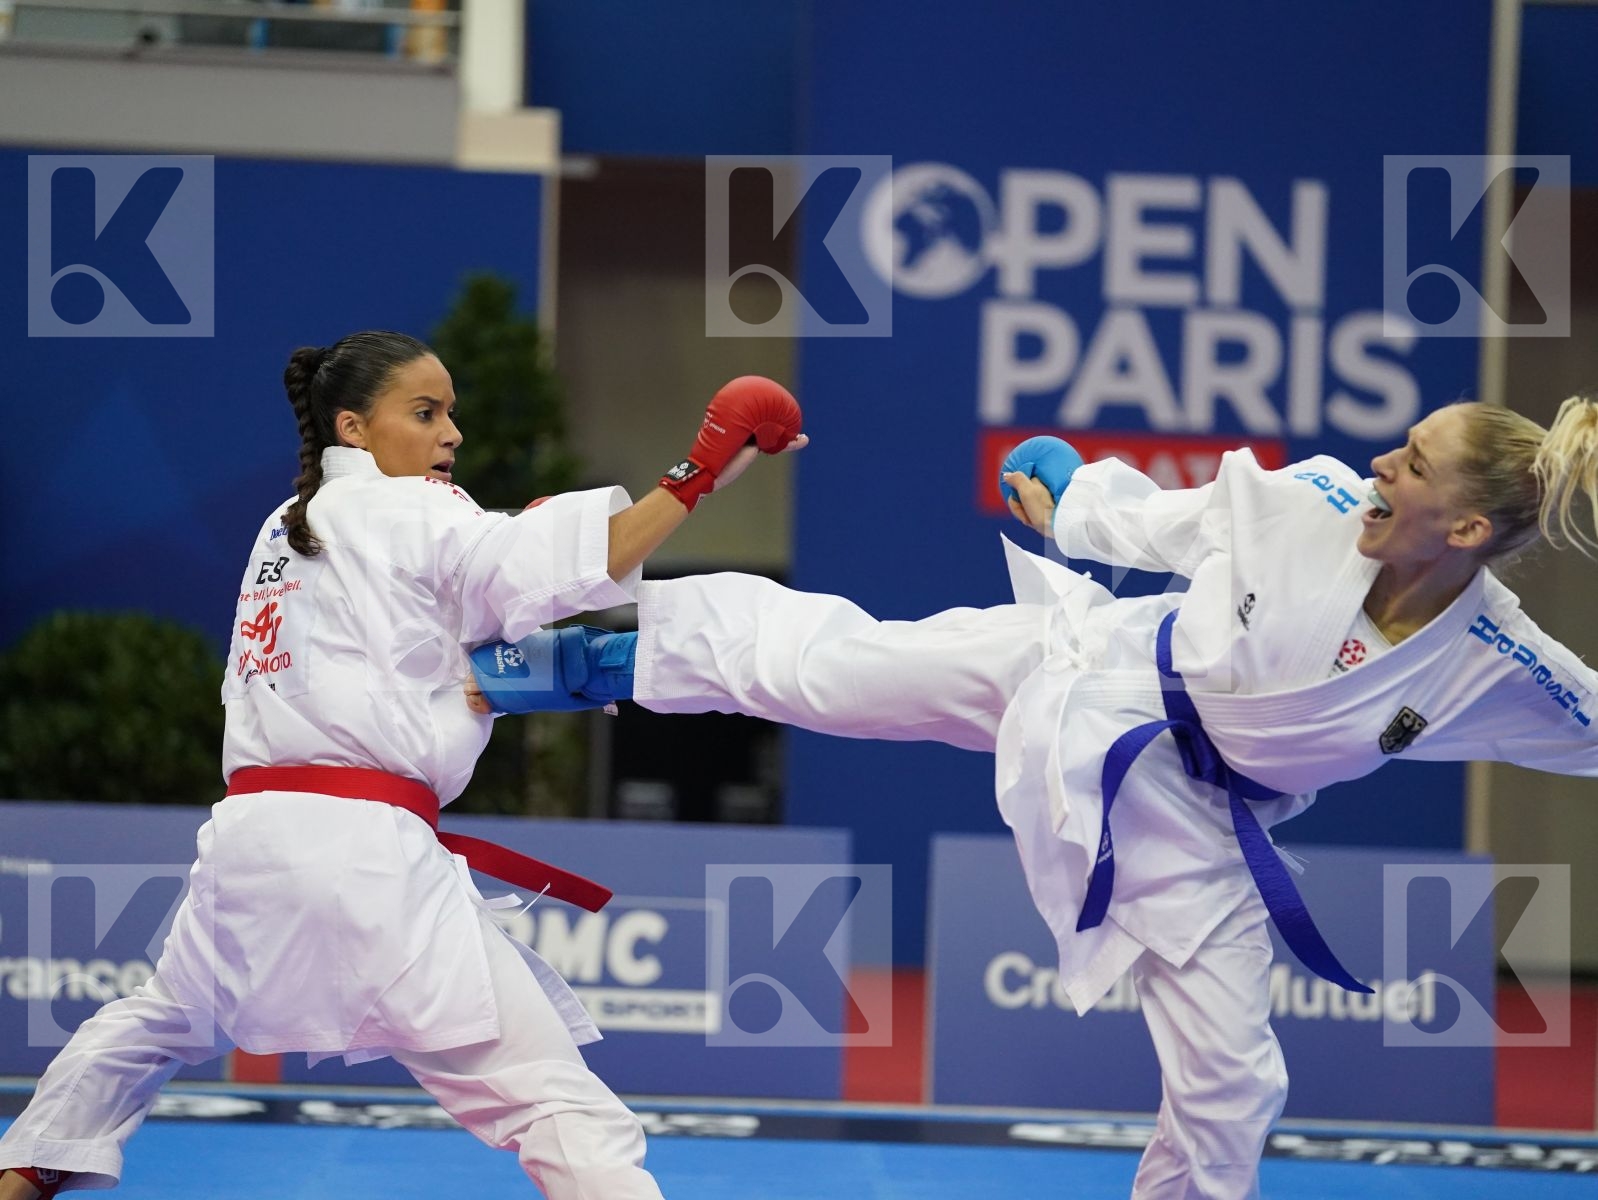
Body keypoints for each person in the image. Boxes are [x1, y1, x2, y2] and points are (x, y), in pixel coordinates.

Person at [475, 394, 1598, 1200]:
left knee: (1233, 1075)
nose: (1381, 466)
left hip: (1195, 818)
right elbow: (1174, 524)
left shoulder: (1505, 666)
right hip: (1091, 666)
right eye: (1396, 447)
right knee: (845, 669)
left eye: (1410, 464)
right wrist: (1071, 504)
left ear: (1463, 529)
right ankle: (600, 660)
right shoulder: (1311, 501)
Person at [0, 330, 804, 1200]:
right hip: (368, 857)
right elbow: (581, 565)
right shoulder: (416, 511)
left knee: (159, 1019)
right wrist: (698, 473)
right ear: (354, 427)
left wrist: (496, 673)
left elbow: (408, 657)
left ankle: (25, 1168)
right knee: (552, 1099)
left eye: (449, 412)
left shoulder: (284, 527)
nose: (450, 432)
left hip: (248, 844)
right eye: (425, 413)